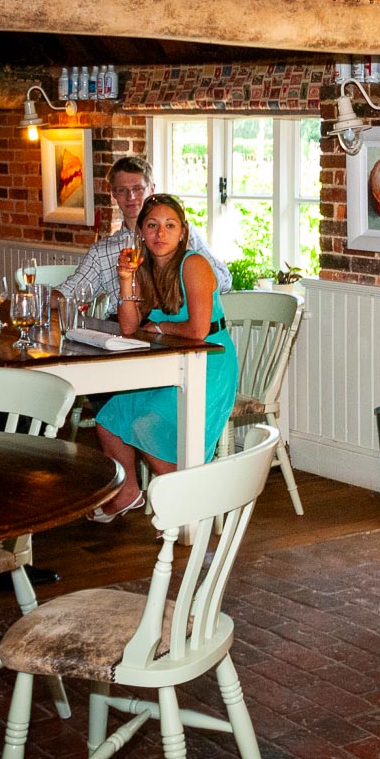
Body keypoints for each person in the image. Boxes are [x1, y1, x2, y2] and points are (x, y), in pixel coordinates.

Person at [91, 194, 239, 520]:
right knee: (109, 421)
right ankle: (129, 492)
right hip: (167, 365)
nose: (161, 233)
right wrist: (126, 278)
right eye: (153, 225)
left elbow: (198, 329)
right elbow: (130, 327)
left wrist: (158, 326)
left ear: (183, 232)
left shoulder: (194, 263)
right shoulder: (143, 268)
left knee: (146, 426)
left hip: (208, 364)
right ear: (141, 232)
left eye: (170, 225)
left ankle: (189, 506)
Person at [57, 156, 229, 307]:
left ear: (151, 189)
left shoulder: (181, 235)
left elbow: (224, 281)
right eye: (122, 190)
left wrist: (185, 268)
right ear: (113, 194)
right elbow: (68, 293)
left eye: (138, 189)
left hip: (175, 330)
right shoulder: (103, 251)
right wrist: (33, 300)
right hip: (122, 331)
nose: (131, 197)